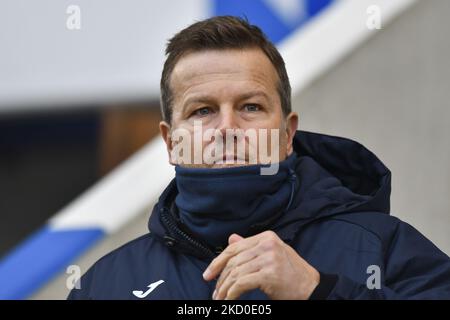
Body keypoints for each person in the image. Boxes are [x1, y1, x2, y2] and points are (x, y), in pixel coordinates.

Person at [68, 16, 450, 300]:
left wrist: (315, 292)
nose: (227, 127)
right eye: (202, 111)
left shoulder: (381, 247)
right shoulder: (104, 285)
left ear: (287, 135)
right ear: (170, 142)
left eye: (250, 107)